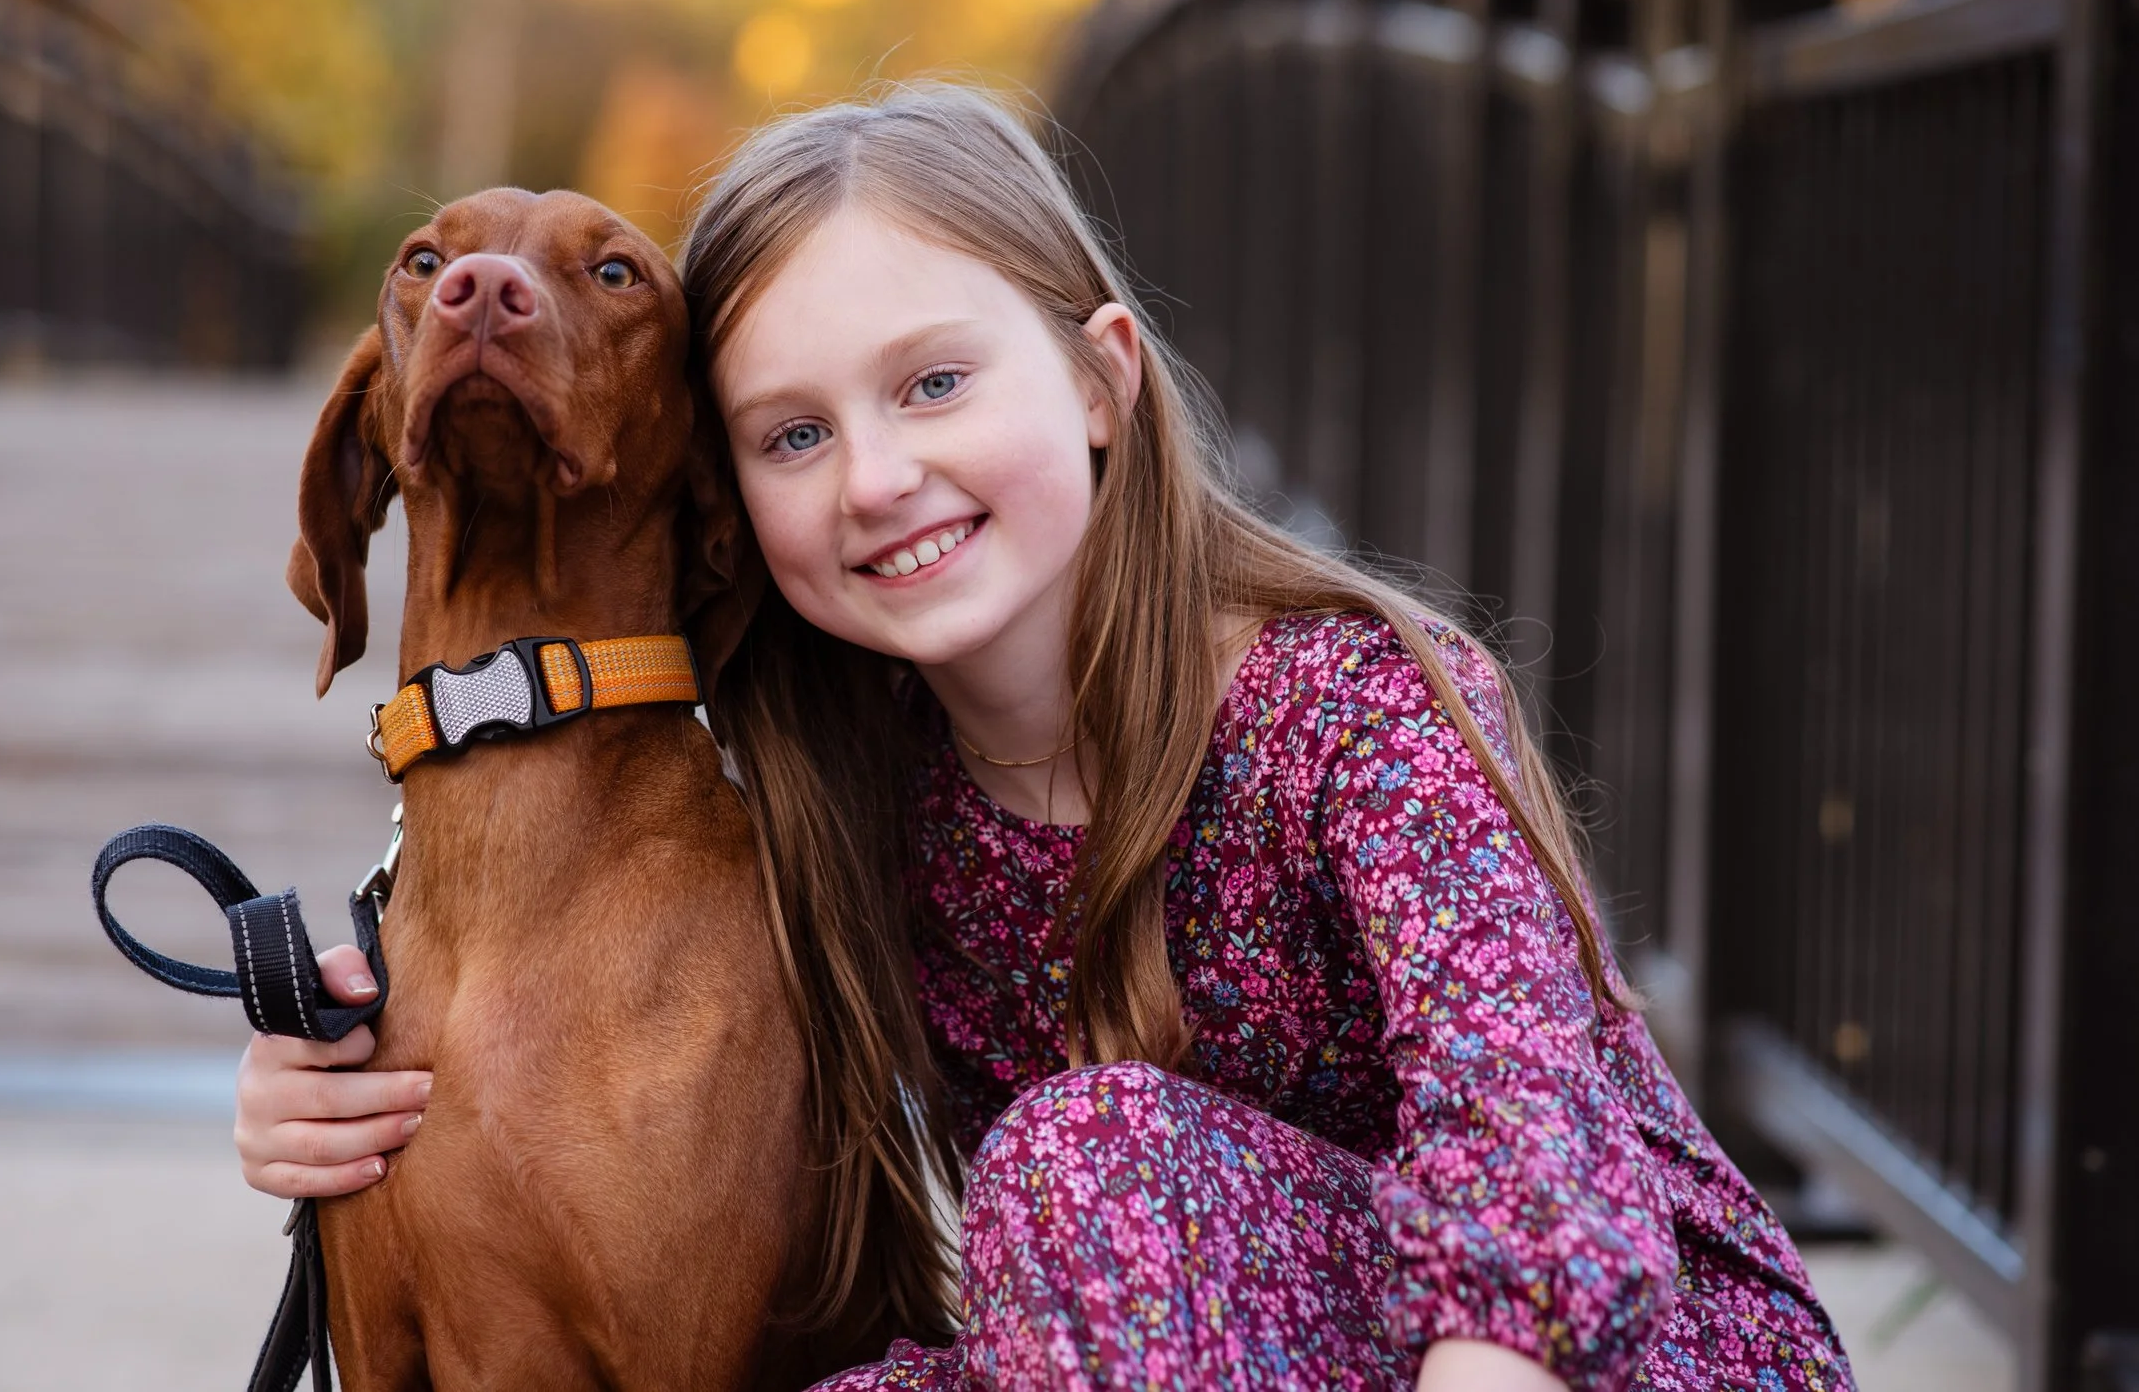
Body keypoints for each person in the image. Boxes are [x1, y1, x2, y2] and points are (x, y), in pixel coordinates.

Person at [230, 84, 1853, 1391]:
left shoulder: (1355, 708)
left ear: (1101, 380)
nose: (874, 478)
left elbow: (1539, 1156)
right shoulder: (850, 792)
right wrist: (314, 1085)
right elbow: (565, 922)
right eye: (796, 433)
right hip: (1185, 1332)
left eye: (933, 385)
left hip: (1607, 1351)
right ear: (728, 508)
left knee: (1089, 1160)